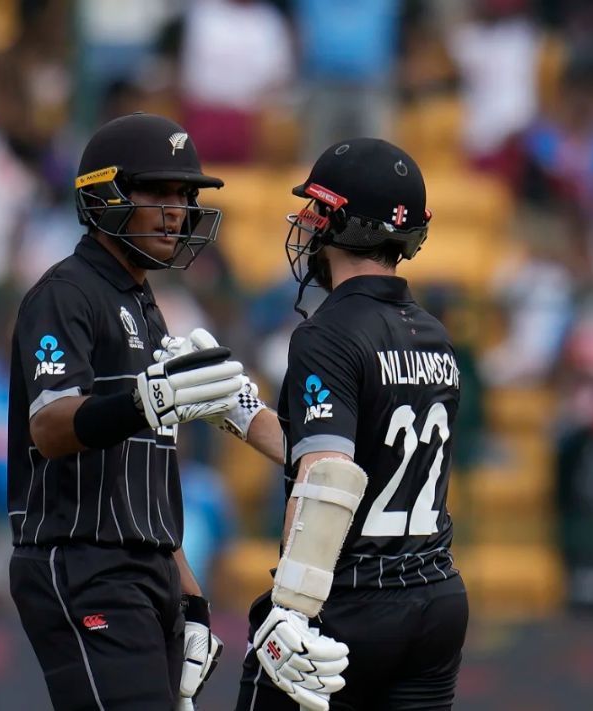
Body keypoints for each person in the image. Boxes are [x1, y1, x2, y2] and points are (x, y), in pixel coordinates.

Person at [162, 138, 470, 710]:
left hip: (352, 598)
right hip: (435, 596)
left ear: (340, 221)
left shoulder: (327, 332)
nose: (307, 224)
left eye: (317, 210)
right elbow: (358, 457)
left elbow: (329, 473)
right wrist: (244, 412)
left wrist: (293, 607)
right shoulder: (433, 332)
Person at [6, 112, 244, 710]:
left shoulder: (144, 302)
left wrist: (188, 595)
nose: (177, 210)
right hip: (83, 560)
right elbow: (51, 426)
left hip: (143, 568)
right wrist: (147, 400)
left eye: (184, 195)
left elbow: (146, 475)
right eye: (157, 192)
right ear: (106, 196)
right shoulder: (66, 293)